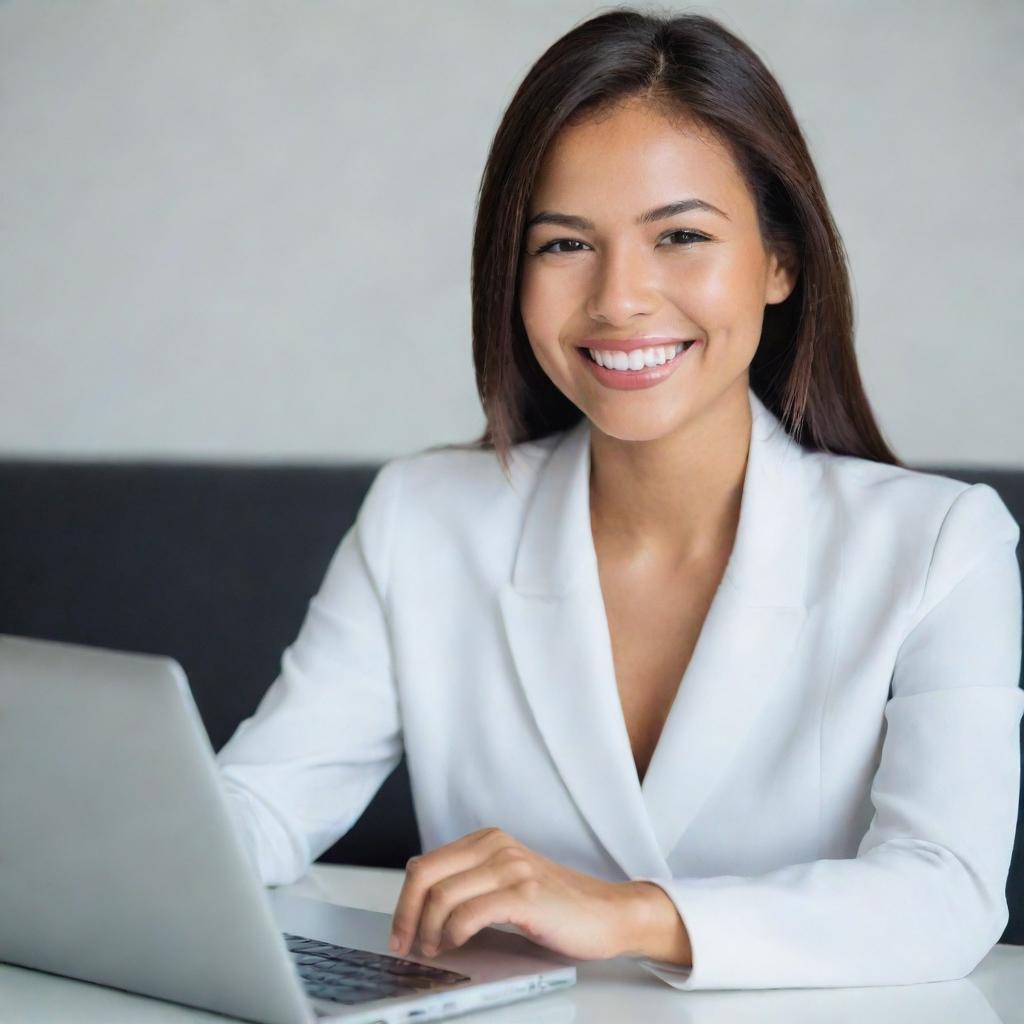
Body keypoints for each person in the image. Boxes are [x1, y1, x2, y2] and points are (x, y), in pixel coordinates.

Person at [215, 8, 1023, 990]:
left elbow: (947, 890)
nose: (619, 299)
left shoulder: (941, 545)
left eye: (680, 235)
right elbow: (253, 811)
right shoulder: (419, 517)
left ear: (779, 261)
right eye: (563, 246)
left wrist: (628, 913)